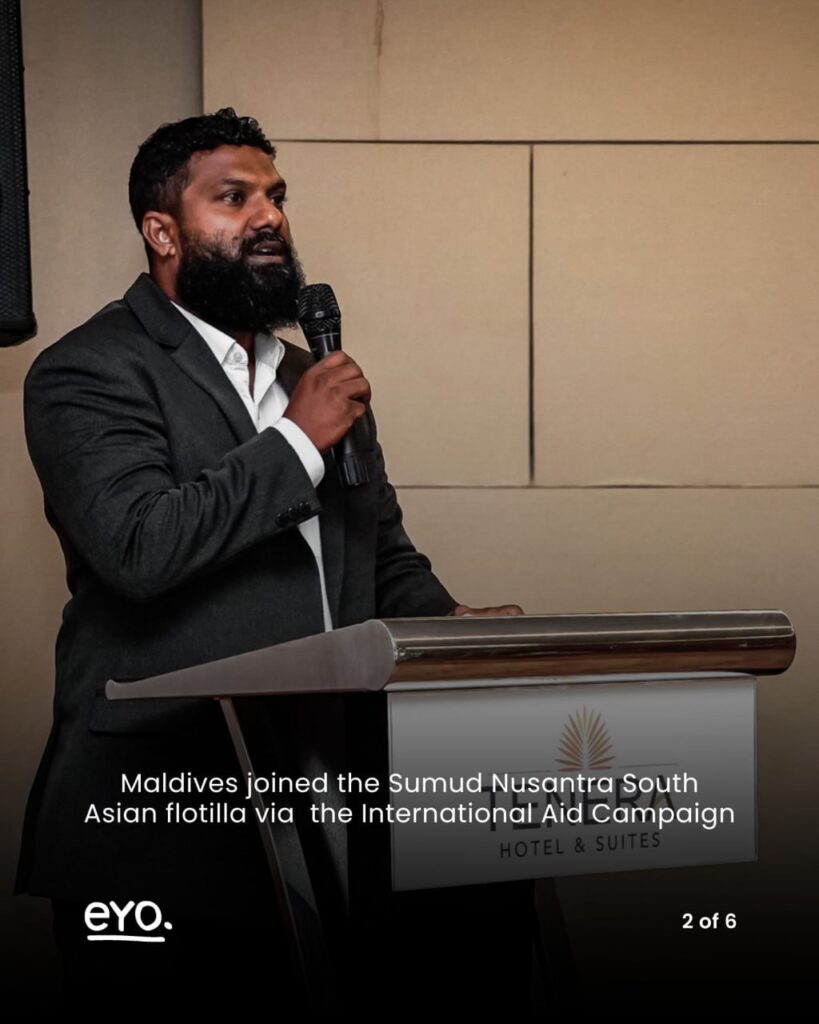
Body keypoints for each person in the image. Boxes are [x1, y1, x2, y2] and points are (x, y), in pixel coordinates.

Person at [15, 108, 523, 1009]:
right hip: (158, 822)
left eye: (276, 196)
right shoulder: (88, 369)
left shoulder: (308, 376)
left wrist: (450, 625)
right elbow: (138, 547)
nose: (269, 217)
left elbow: (377, 557)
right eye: (234, 197)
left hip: (320, 805)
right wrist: (296, 441)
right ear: (162, 231)